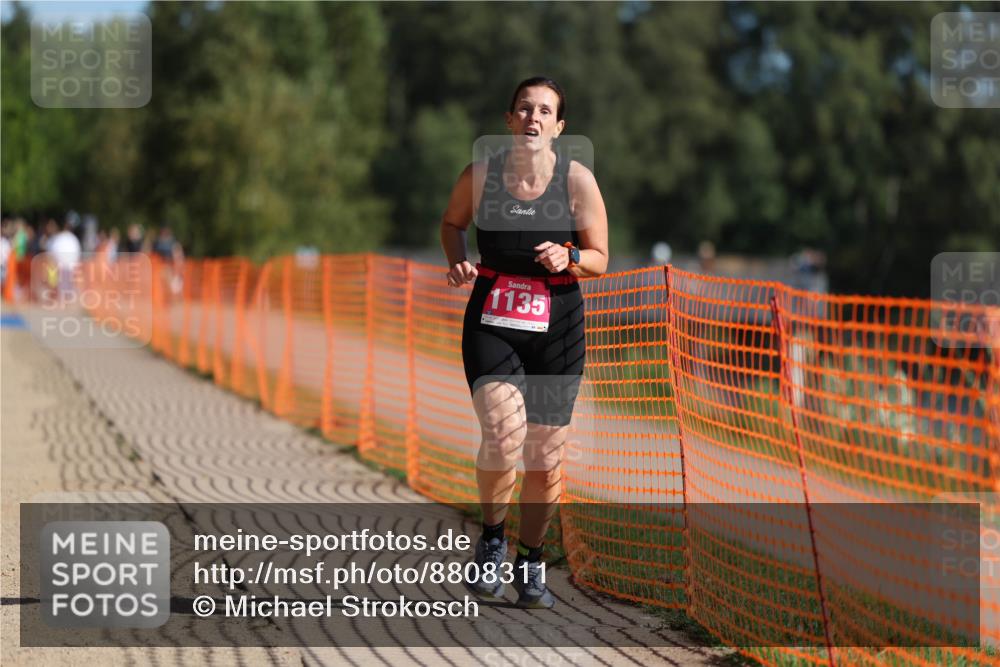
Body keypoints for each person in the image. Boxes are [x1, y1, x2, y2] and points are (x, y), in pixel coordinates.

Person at [440, 77, 609, 608]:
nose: (533, 117)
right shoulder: (480, 175)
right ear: (510, 119)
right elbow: (452, 224)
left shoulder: (577, 181)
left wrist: (571, 257)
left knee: (545, 457)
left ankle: (532, 558)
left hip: (558, 326)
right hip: (493, 317)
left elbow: (600, 258)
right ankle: (493, 540)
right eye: (524, 108)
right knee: (501, 434)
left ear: (559, 127)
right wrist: (458, 261)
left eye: (544, 111)